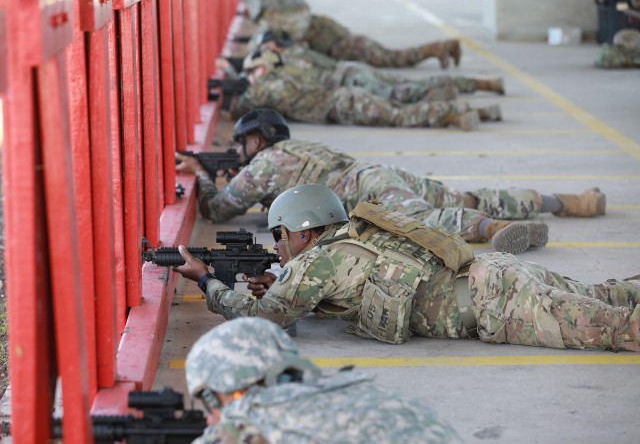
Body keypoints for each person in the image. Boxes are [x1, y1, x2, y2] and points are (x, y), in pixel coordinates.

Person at [174, 184, 640, 352]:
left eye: (280, 235)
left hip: (498, 304)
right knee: (610, 293)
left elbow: (265, 319)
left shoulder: (314, 261)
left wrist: (206, 281)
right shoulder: (357, 236)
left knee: (618, 330)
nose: (277, 248)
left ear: (304, 231)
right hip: (495, 273)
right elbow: (341, 291)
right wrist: (278, 283)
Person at [177, 108, 606, 254]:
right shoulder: (297, 148)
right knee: (467, 194)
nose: (239, 152)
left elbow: (219, 208)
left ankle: (492, 229)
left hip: (366, 190)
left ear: (258, 138)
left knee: (425, 219)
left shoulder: (264, 164)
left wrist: (202, 177)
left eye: (242, 144)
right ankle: (571, 202)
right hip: (377, 172)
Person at [186, 317, 460, 443]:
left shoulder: (251, 422)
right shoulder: (360, 390)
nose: (210, 419)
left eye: (208, 403)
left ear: (229, 389)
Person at [229, 49, 501, 131]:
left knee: (401, 112)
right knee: (403, 99)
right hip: (348, 86)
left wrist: (242, 86)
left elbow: (240, 108)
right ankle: (472, 107)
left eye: (254, 71)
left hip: (344, 102)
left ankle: (454, 115)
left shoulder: (268, 87)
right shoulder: (290, 65)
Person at [217, 28, 504, 103]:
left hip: (352, 79)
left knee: (405, 90)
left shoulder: (285, 64)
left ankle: (472, 87)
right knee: (404, 84)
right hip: (352, 71)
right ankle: (475, 85)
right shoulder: (295, 53)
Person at [236, 0, 461, 69]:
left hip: (316, 36)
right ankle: (437, 48)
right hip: (317, 26)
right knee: (385, 56)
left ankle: (437, 49)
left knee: (384, 59)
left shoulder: (281, 26)